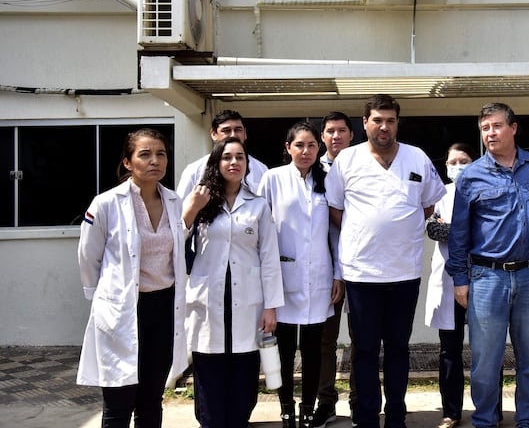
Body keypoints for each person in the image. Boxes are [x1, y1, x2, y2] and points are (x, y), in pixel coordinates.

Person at [325, 94, 446, 428]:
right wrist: (366, 230)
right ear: (364, 123)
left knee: (397, 348)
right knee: (363, 350)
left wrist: (399, 228)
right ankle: (365, 418)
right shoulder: (346, 160)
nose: (384, 126)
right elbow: (335, 209)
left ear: (397, 123)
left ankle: (395, 416)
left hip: (404, 272)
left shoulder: (416, 157)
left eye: (390, 120)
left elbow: (428, 205)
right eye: (377, 120)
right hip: (361, 273)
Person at [446, 103, 529, 428]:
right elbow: (459, 232)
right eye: (485, 128)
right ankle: (485, 419)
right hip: (486, 278)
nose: (490, 133)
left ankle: (528, 420)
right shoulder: (472, 175)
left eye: (496, 126)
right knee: (485, 361)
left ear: (513, 128)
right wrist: (460, 279)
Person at [76, 128, 188, 428]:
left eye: (161, 154)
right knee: (119, 401)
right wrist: (101, 298)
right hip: (123, 309)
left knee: (151, 400)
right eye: (145, 154)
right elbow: (89, 256)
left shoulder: (174, 201)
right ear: (127, 162)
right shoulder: (106, 204)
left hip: (163, 309)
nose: (155, 161)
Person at [183, 137, 284, 428]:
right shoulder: (200, 200)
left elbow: (269, 257)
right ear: (216, 163)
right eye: (227, 157)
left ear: (247, 165)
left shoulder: (258, 206)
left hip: (248, 301)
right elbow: (175, 242)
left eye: (240, 157)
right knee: (210, 381)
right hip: (208, 300)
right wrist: (192, 208)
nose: (234, 163)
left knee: (243, 382)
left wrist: (271, 307)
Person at [257, 121, 343, 428]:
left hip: (318, 277)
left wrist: (338, 274)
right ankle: (285, 407)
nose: (305, 151)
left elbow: (335, 232)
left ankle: (308, 408)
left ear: (318, 148)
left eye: (310, 145)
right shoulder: (272, 179)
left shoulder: (328, 180)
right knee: (281, 349)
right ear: (288, 148)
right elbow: (261, 229)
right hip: (281, 276)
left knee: (312, 349)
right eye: (299, 145)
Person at [424, 142, 478, 428]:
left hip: (481, 279)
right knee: (449, 351)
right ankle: (451, 411)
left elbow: (484, 232)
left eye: (464, 160)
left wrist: (454, 228)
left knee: (485, 348)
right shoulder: (440, 193)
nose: (457, 166)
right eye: (453, 161)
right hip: (448, 282)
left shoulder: (485, 190)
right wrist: (463, 229)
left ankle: (488, 409)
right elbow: (433, 228)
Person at [314, 111, 355, 428]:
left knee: (364, 339)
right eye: (330, 131)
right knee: (325, 341)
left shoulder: (363, 165)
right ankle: (325, 402)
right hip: (325, 271)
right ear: (322, 137)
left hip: (363, 268)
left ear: (352, 135)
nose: (336, 136)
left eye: (342, 130)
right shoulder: (314, 172)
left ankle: (361, 401)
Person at [177, 110, 268, 200]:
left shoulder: (261, 170)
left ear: (245, 134)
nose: (233, 135)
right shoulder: (195, 171)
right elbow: (179, 210)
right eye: (226, 130)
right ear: (213, 134)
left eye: (238, 130)